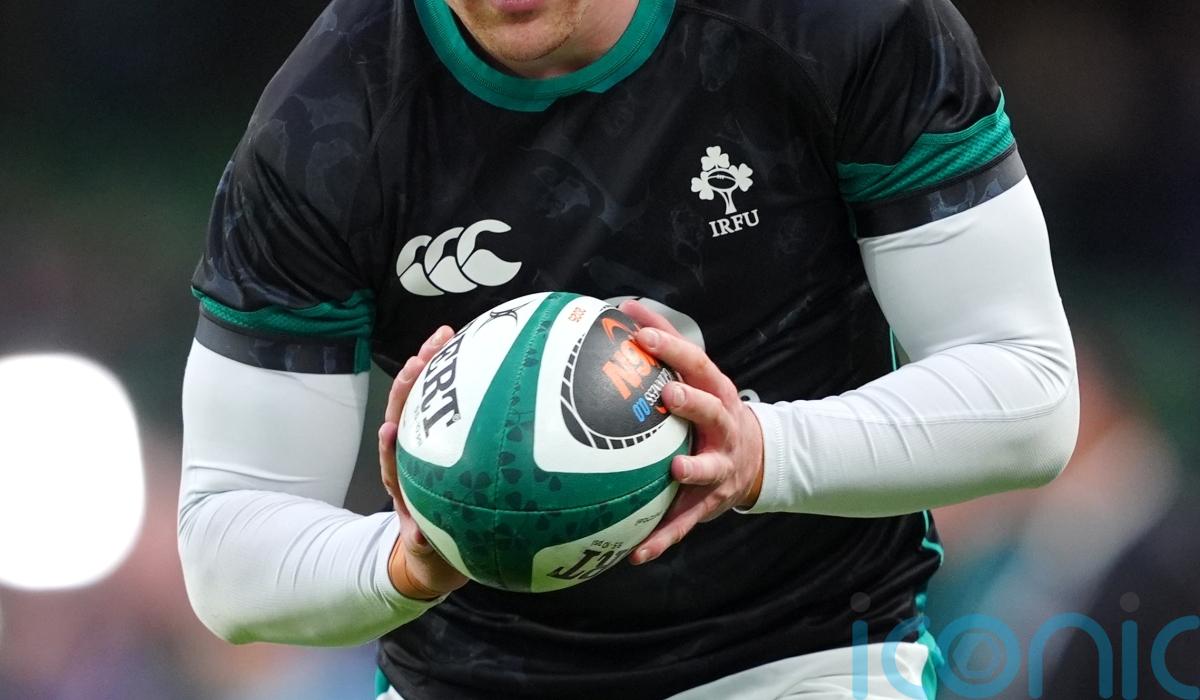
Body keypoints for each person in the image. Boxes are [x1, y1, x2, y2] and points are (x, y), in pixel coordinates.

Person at [178, 0, 1079, 698]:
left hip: (802, 655)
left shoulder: (838, 22)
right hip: (468, 678)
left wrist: (758, 453)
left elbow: (1027, 391)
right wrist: (404, 560)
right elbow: (226, 549)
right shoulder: (324, 124)